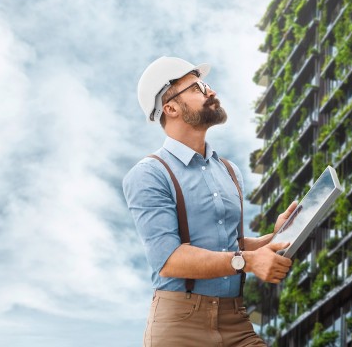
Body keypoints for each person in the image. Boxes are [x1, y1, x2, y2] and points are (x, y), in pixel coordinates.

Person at [123, 56, 298, 346]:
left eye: (205, 85)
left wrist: (274, 238)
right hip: (181, 325)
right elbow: (168, 259)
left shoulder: (229, 171)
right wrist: (250, 261)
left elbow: (230, 246)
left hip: (235, 319)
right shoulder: (149, 174)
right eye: (197, 88)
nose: (210, 92)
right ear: (171, 108)